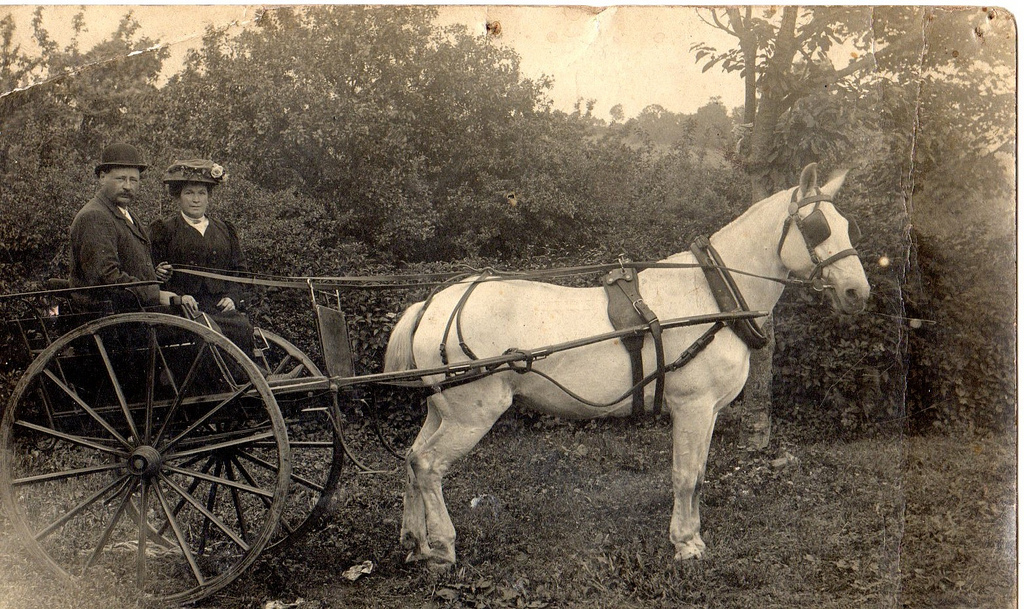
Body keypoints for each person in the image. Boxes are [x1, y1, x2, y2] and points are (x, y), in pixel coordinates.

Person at [150, 159, 254, 355]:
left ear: (208, 197)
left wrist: (232, 297)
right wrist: (175, 293)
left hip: (219, 308)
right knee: (206, 336)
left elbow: (239, 271)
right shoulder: (163, 230)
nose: (196, 200)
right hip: (183, 311)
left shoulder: (225, 230)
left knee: (243, 327)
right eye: (189, 193)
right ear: (178, 197)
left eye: (201, 193)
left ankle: (247, 374)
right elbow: (153, 275)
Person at [70, 143, 174, 310]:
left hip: (133, 310)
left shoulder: (125, 213)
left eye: (133, 180)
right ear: (102, 177)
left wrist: (154, 273)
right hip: (110, 316)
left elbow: (128, 263)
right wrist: (156, 295)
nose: (127, 186)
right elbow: (105, 277)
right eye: (121, 179)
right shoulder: (95, 216)